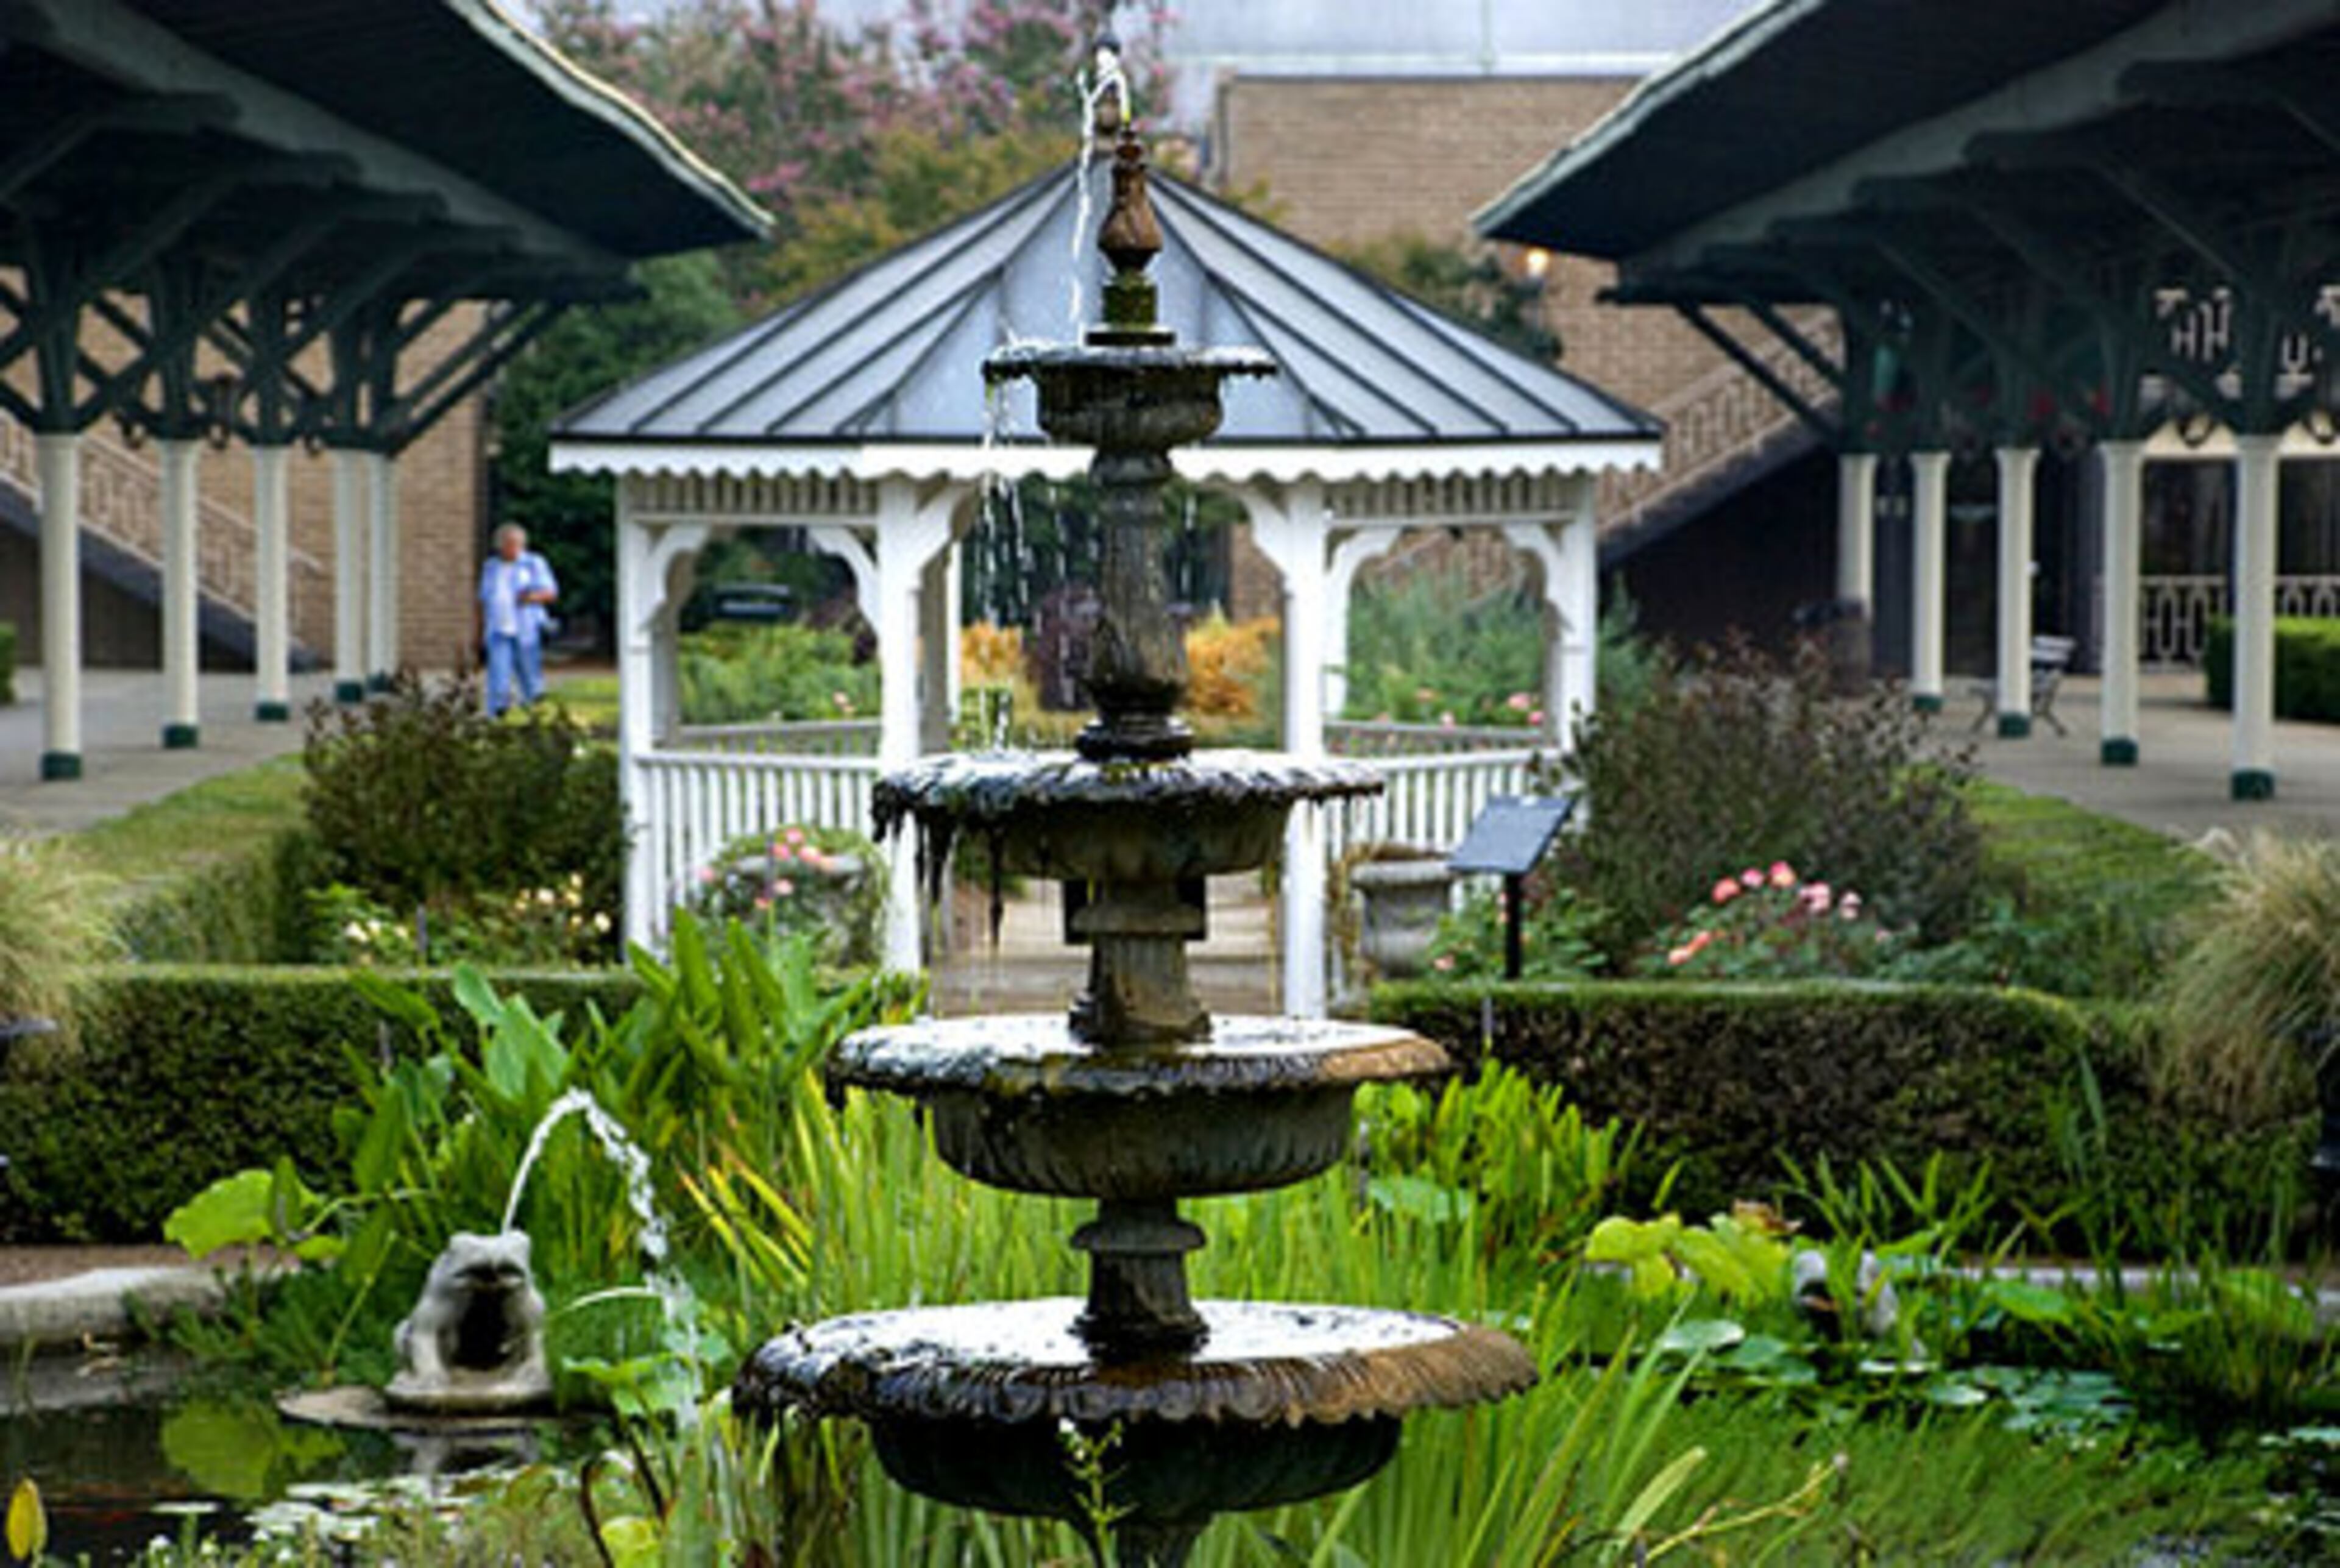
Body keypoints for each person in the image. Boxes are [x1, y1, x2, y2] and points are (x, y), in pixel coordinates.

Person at [478, 523, 559, 715]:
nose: (514, 549)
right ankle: (497, 715)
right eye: (509, 545)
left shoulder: (533, 564)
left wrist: (530, 598)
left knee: (530, 675)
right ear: (500, 546)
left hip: (526, 629)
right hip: (498, 630)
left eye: (518, 545)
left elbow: (551, 593)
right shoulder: (491, 567)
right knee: (498, 676)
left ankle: (535, 712)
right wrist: (479, 630)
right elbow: (482, 599)